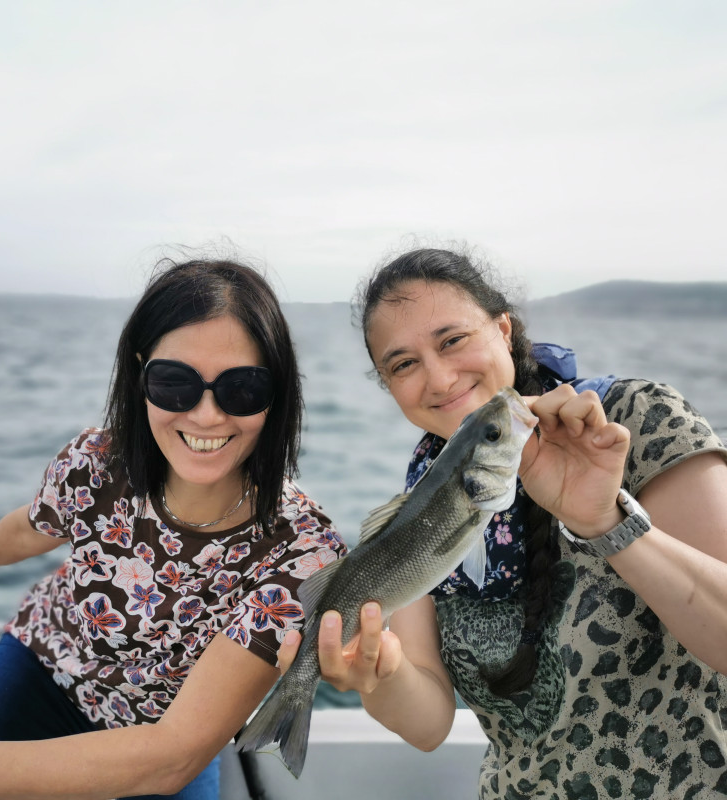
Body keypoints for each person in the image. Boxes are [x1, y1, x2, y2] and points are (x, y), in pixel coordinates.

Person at [279, 247, 727, 798]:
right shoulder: (423, 497)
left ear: (502, 326)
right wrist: (379, 673)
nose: (439, 378)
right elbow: (429, 725)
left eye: (452, 340)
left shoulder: (636, 420)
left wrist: (605, 522)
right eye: (403, 364)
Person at [0, 257, 346, 800]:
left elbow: (173, 755)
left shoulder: (304, 555)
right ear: (138, 373)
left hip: (163, 740)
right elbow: (34, 527)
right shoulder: (99, 461)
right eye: (174, 383)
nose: (206, 415)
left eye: (242, 388)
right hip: (44, 665)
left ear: (279, 394)